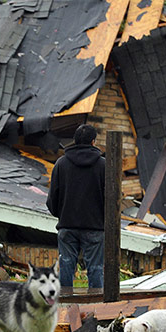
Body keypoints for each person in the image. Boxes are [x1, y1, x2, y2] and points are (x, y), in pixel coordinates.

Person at [46, 124, 106, 291]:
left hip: (67, 226)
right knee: (95, 268)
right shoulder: (103, 165)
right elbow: (111, 199)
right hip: (95, 227)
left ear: (75, 140)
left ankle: (65, 305)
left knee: (66, 265)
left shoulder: (61, 164)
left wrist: (62, 215)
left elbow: (53, 198)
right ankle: (96, 307)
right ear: (93, 142)